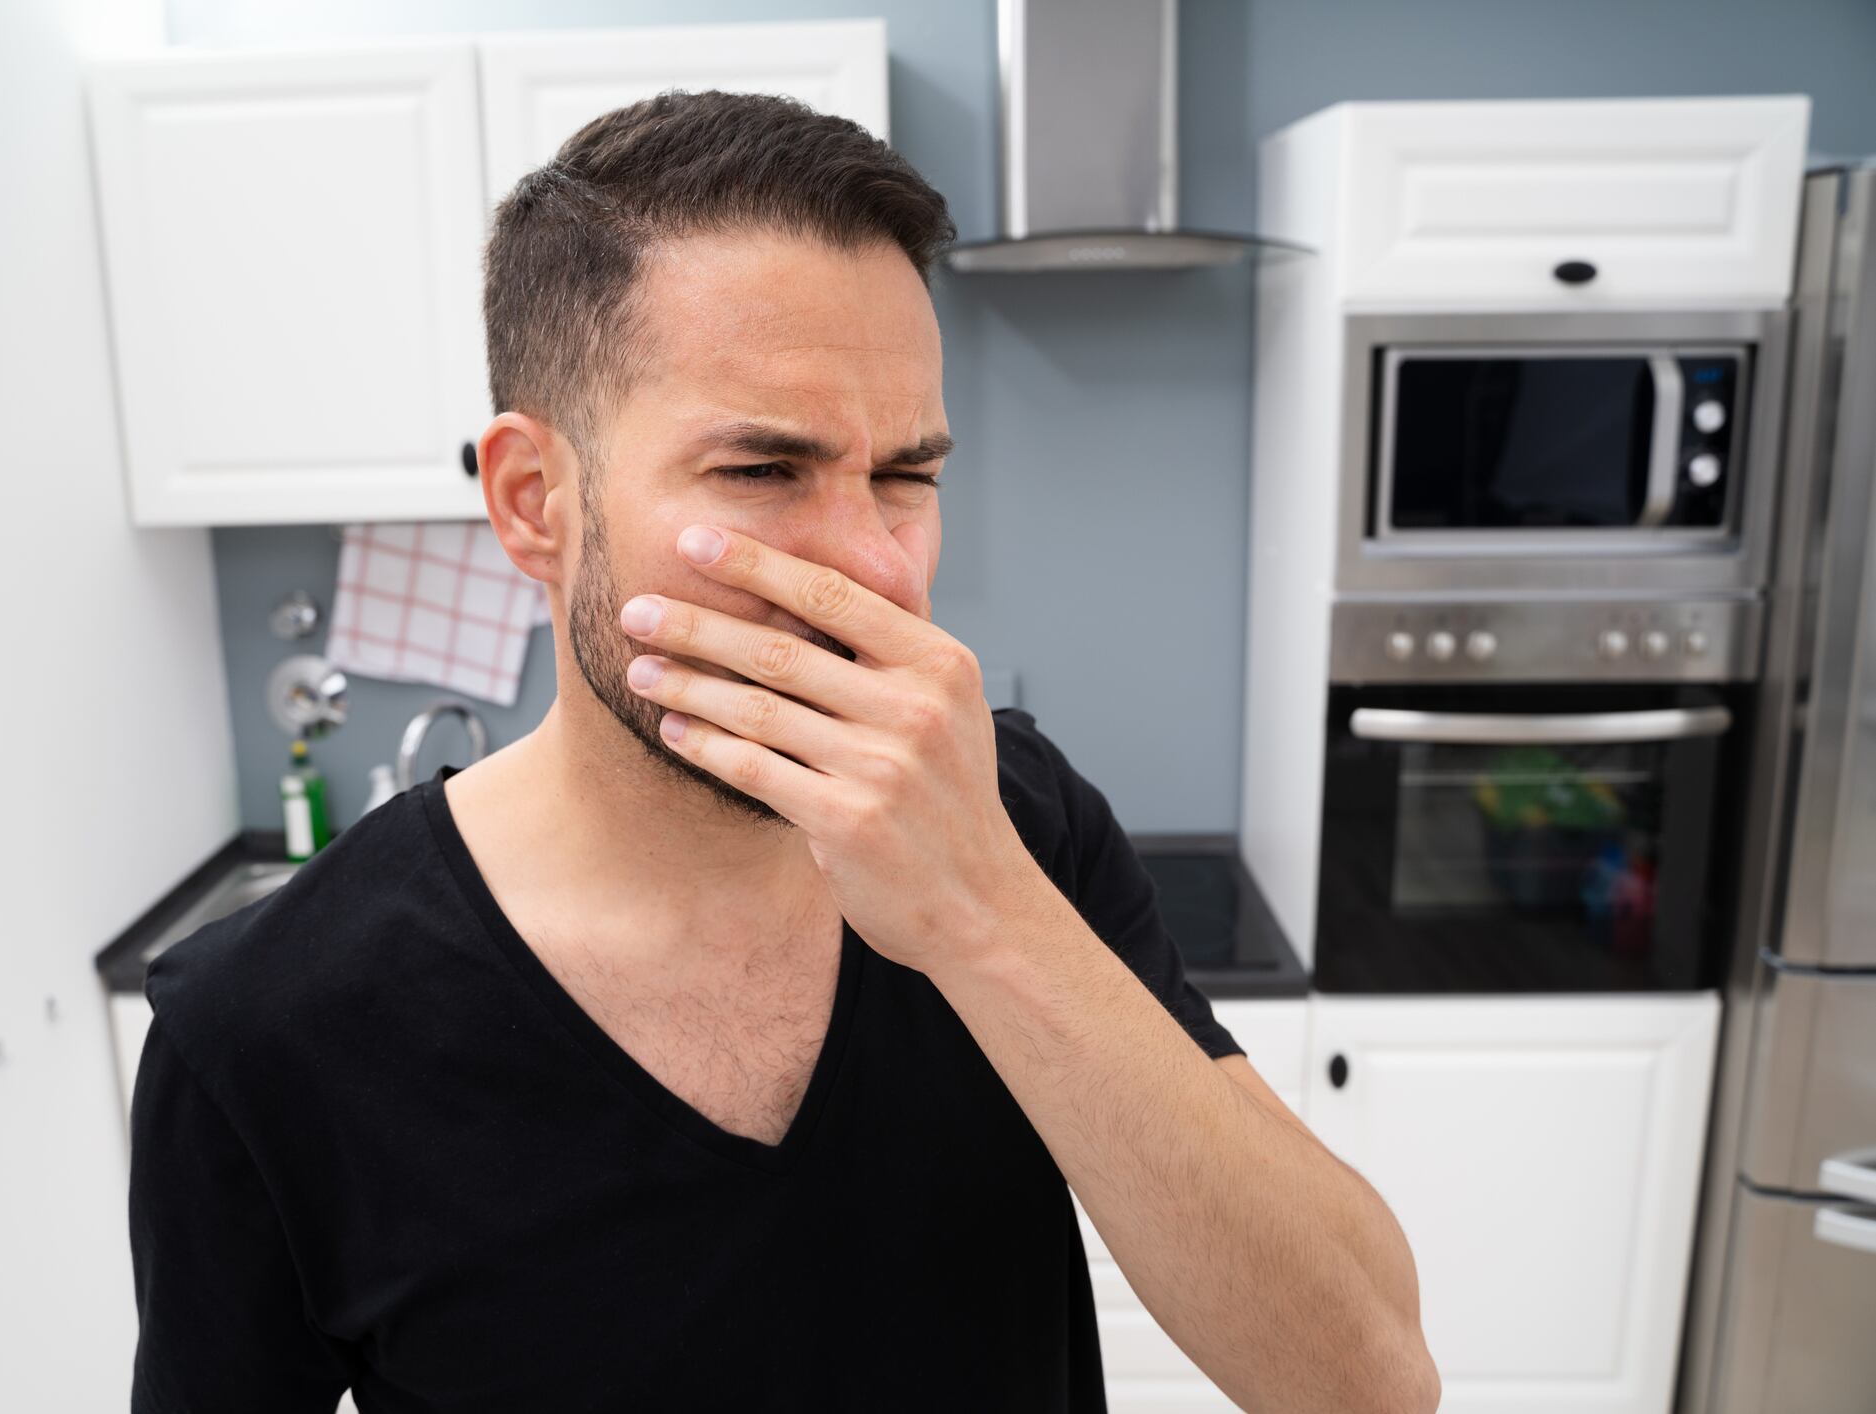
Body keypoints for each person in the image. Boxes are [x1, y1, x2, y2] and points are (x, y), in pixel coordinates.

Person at [127, 90, 1439, 1414]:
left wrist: (984, 916)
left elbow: (1368, 1381)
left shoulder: (1016, 821)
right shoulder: (260, 1032)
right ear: (535, 501)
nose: (877, 562)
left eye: (907, 475)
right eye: (763, 470)